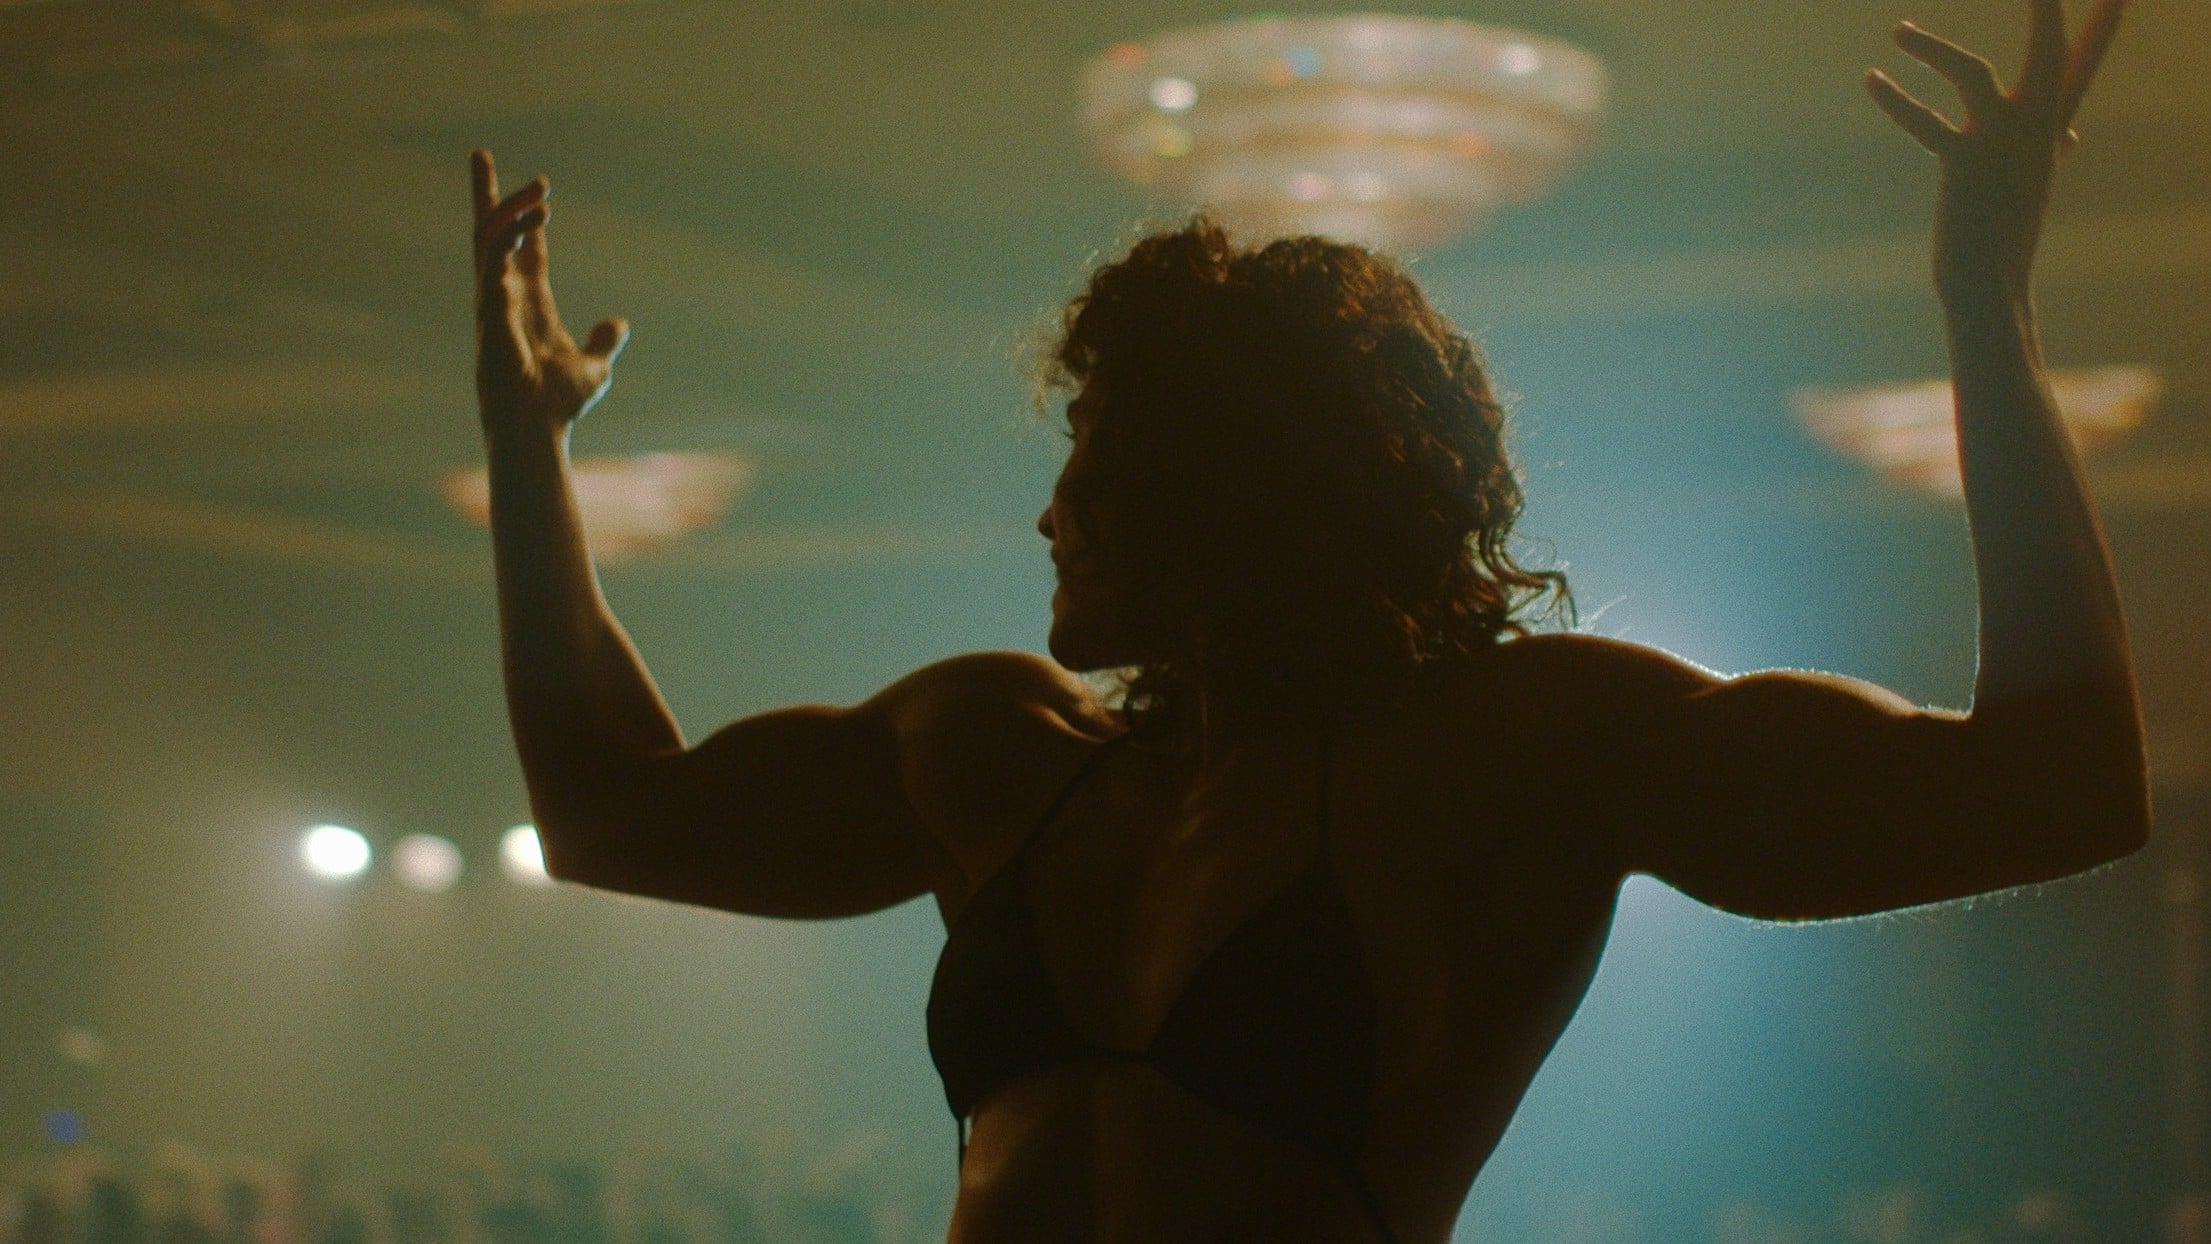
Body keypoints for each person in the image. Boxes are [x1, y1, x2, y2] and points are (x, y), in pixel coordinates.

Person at [466, 3, 2148, 1240]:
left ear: (1226, 484)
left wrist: (1984, 309)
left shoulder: (1517, 752)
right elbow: (612, 816)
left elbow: (2058, 784)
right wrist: (530, 450)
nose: (1051, 512)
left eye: (1092, 453)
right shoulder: (992, 748)